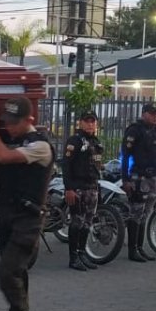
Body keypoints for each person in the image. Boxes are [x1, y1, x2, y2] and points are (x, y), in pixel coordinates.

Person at [0, 97, 54, 311]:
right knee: (17, 273)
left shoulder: (40, 145)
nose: (10, 127)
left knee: (8, 272)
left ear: (29, 120)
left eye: (15, 122)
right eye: (7, 122)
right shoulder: (8, 140)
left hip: (28, 219)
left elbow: (4, 157)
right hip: (7, 217)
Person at [121, 103, 156, 262]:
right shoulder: (135, 130)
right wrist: (125, 179)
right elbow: (125, 155)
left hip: (155, 177)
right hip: (139, 177)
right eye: (152, 113)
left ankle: (140, 248)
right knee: (136, 213)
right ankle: (132, 249)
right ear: (144, 114)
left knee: (145, 214)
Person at [61, 112, 103, 272]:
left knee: (87, 222)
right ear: (80, 123)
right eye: (87, 121)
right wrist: (69, 188)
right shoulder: (75, 141)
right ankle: (73, 258)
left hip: (92, 187)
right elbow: (66, 165)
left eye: (93, 121)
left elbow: (97, 165)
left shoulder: (95, 142)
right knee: (77, 222)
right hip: (78, 187)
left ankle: (82, 253)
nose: (90, 124)